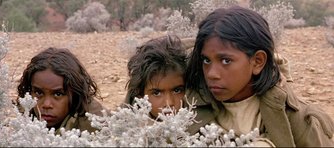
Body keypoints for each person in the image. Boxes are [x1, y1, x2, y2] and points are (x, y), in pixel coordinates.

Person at [185, 6, 334, 147]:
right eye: (206, 60)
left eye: (226, 61)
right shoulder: (188, 102)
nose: (212, 73)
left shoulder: (294, 116)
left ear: (258, 61)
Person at [16, 47, 105, 134]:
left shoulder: (95, 123)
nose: (46, 105)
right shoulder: (26, 112)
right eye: (39, 93)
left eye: (58, 94)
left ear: (75, 94)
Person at [123, 35, 187, 119]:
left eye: (177, 90)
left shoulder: (202, 121)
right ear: (140, 95)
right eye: (156, 93)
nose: (169, 103)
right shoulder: (127, 124)